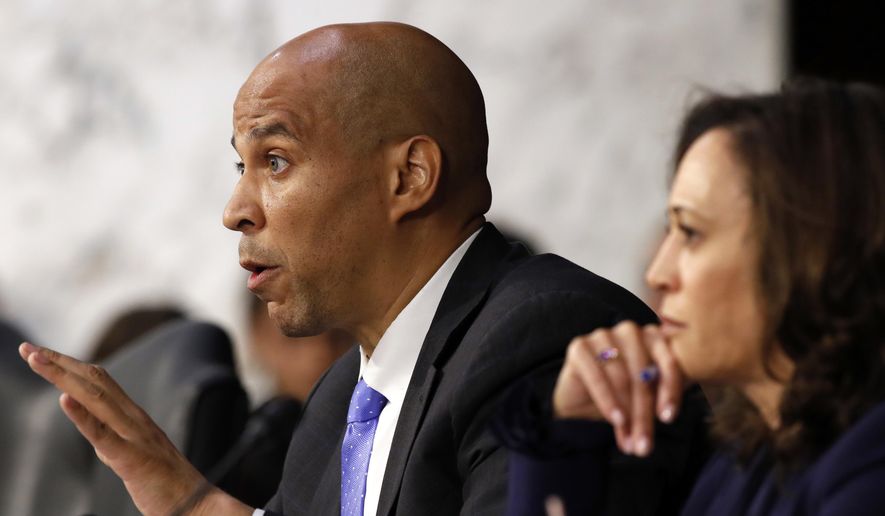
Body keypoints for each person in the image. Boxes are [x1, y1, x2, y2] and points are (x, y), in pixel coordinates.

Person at [17, 22, 706, 516]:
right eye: (241, 166)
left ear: (408, 177)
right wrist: (191, 502)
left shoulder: (542, 339)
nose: (235, 210)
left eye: (275, 161)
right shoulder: (344, 392)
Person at [498, 79, 885, 515]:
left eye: (691, 232)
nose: (658, 274)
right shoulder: (748, 451)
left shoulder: (869, 469)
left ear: (807, 250)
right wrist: (567, 440)